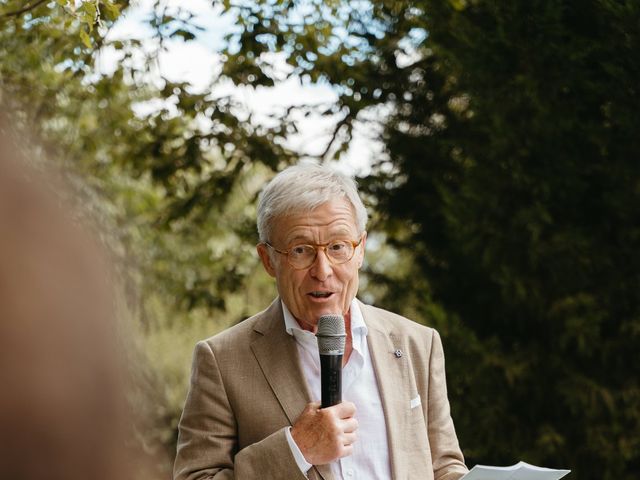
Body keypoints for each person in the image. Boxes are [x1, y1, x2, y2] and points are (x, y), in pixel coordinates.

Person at [174, 163, 468, 480]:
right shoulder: (222, 360)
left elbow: (444, 466)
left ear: (360, 250)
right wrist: (296, 449)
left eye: (338, 247)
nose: (323, 270)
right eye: (301, 250)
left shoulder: (417, 344)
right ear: (268, 259)